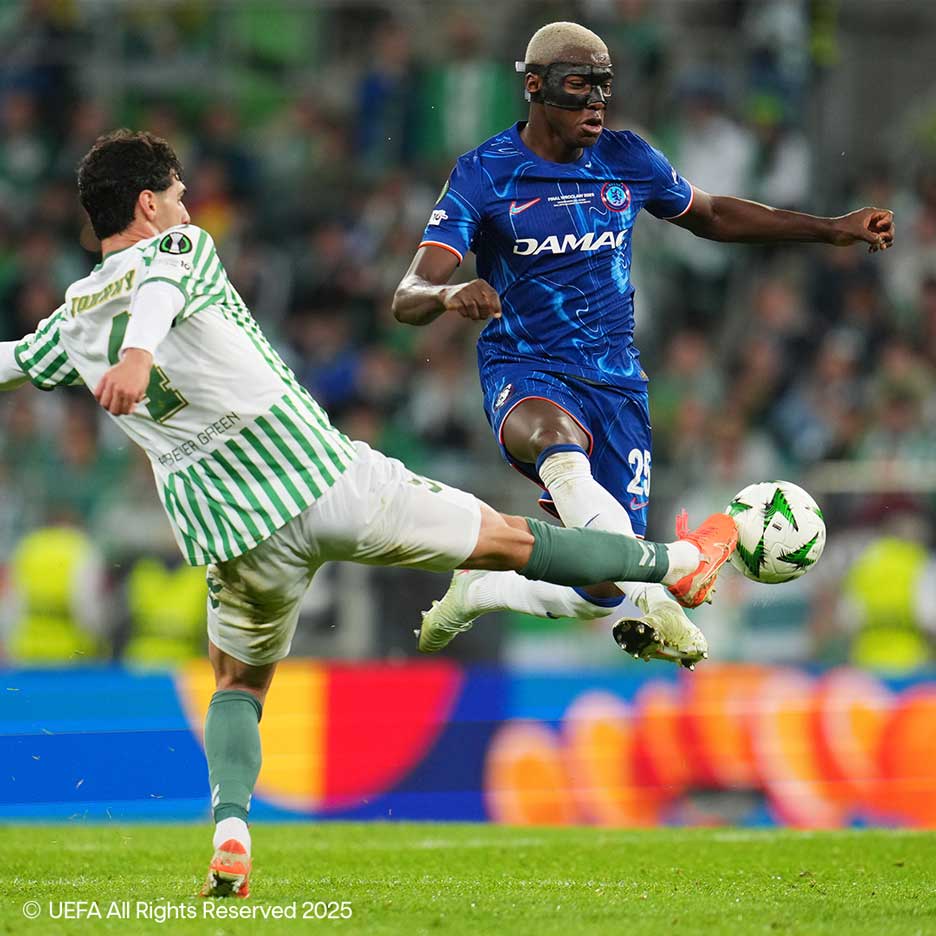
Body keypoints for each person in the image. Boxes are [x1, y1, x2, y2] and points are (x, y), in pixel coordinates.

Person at [0, 129, 737, 898]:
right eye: (180, 196)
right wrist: (141, 356)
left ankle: (229, 830)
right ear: (150, 203)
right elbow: (156, 292)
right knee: (510, 542)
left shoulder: (75, 319)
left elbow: (14, 359)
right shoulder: (181, 252)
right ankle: (678, 564)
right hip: (328, 483)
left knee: (239, 686)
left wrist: (128, 356)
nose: (188, 209)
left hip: (238, 539)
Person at [392, 20, 895, 665]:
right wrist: (445, 295)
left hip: (618, 383)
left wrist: (830, 229)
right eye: (579, 87)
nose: (596, 102)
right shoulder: (484, 175)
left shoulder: (628, 158)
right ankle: (660, 597)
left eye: (604, 86)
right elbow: (408, 292)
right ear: (535, 87)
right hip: (526, 370)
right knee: (558, 450)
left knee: (599, 587)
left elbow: (710, 215)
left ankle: (485, 589)